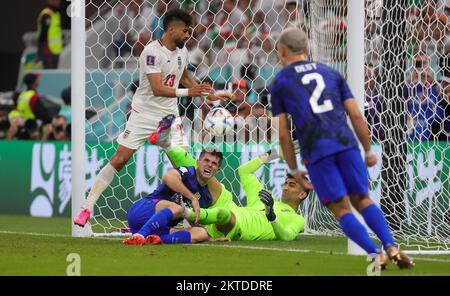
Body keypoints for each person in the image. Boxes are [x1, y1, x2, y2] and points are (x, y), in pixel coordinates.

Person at [270, 27, 414, 270]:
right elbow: (356, 115)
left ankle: (375, 252)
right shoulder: (331, 73)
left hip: (317, 151)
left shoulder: (281, 82)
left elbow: (283, 132)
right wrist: (368, 151)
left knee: (341, 209)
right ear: (306, 50)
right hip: (346, 145)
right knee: (363, 200)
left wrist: (293, 168)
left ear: (281, 51)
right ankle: (391, 245)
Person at [73, 9, 231, 227]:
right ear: (171, 28)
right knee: (119, 159)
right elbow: (157, 88)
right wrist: (189, 93)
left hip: (170, 117)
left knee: (185, 168)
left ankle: (188, 221)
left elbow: (183, 75)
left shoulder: (182, 51)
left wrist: (209, 95)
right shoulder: (151, 52)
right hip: (144, 114)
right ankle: (87, 207)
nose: (188, 36)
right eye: (185, 31)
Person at [123, 147, 224, 245]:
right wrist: (192, 198)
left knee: (201, 233)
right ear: (198, 162)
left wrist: (210, 238)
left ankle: (155, 239)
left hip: (159, 226)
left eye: (214, 163)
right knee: (179, 208)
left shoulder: (206, 197)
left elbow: (192, 217)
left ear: (218, 170)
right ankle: (140, 235)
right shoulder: (188, 172)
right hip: (143, 211)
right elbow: (168, 177)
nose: (209, 165)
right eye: (206, 160)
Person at [37, 0, 63, 69]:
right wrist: (41, 50)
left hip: (56, 50)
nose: (57, 2)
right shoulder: (47, 14)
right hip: (48, 50)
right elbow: (43, 34)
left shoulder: (56, 13)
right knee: (49, 72)